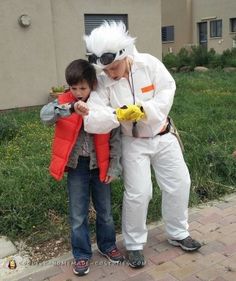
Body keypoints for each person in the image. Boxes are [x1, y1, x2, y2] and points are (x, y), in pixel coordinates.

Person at [83, 21, 201, 269]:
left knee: (180, 183)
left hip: (163, 133)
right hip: (133, 141)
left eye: (114, 67)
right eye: (106, 70)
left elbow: (168, 90)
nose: (111, 74)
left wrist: (145, 110)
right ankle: (135, 244)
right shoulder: (103, 80)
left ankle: (178, 232)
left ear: (124, 55)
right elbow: (91, 118)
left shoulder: (149, 64)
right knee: (139, 193)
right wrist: (117, 116)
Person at [40, 59, 124, 276]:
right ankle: (81, 255)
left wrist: (114, 168)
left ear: (93, 85)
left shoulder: (101, 104)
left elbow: (115, 137)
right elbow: (45, 116)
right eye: (74, 88)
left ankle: (107, 246)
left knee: (104, 211)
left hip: (100, 166)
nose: (78, 92)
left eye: (83, 88)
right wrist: (70, 108)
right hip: (77, 167)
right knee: (78, 214)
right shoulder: (65, 102)